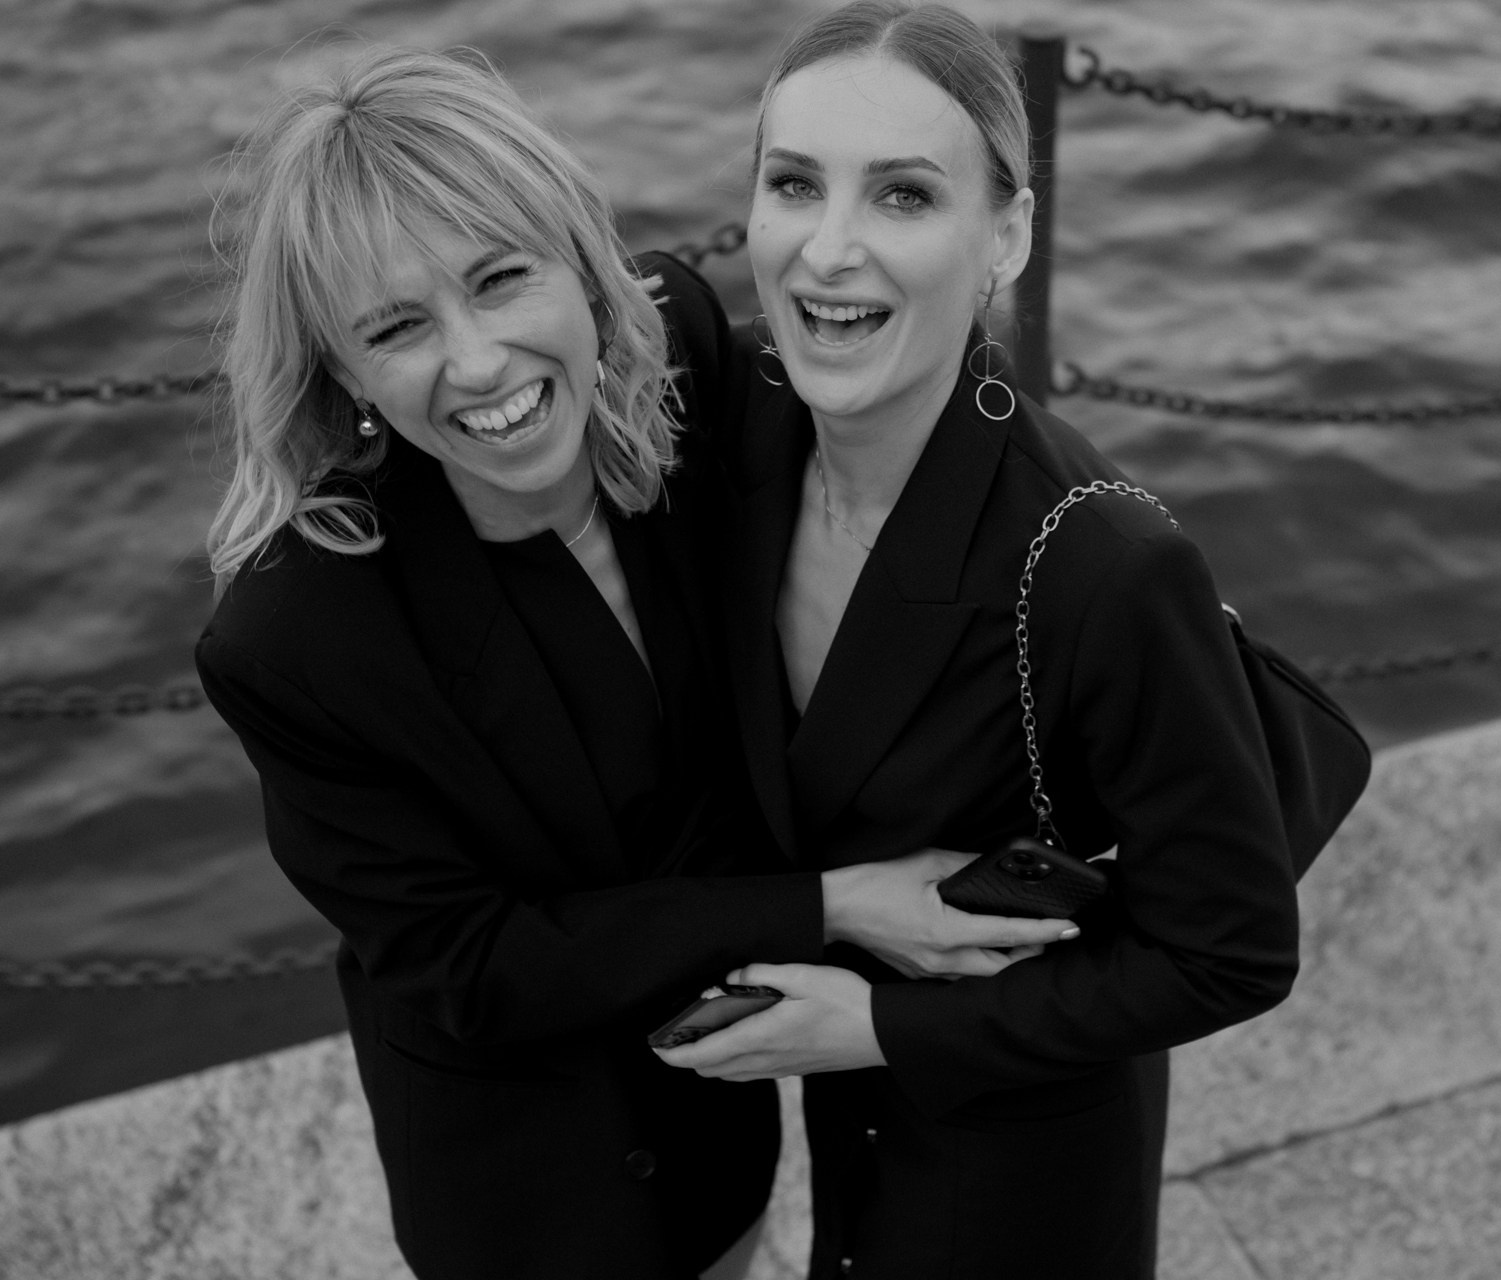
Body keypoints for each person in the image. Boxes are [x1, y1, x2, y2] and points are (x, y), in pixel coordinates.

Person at [194, 45, 1073, 1280]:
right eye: (397, 327)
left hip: (721, 1106)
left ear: (580, 259)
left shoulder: (686, 357)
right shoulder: (297, 636)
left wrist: (1106, 563)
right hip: (527, 1175)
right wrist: (835, 902)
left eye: (502, 279)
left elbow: (905, 433)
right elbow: (470, 966)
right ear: (344, 372)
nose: (478, 362)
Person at [654, 6, 1302, 1278]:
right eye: (795, 185)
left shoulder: (1103, 564)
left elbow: (1232, 950)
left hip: (1023, 1169)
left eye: (903, 194)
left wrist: (880, 1027)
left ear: (1006, 234)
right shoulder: (745, 429)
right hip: (839, 1132)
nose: (828, 250)